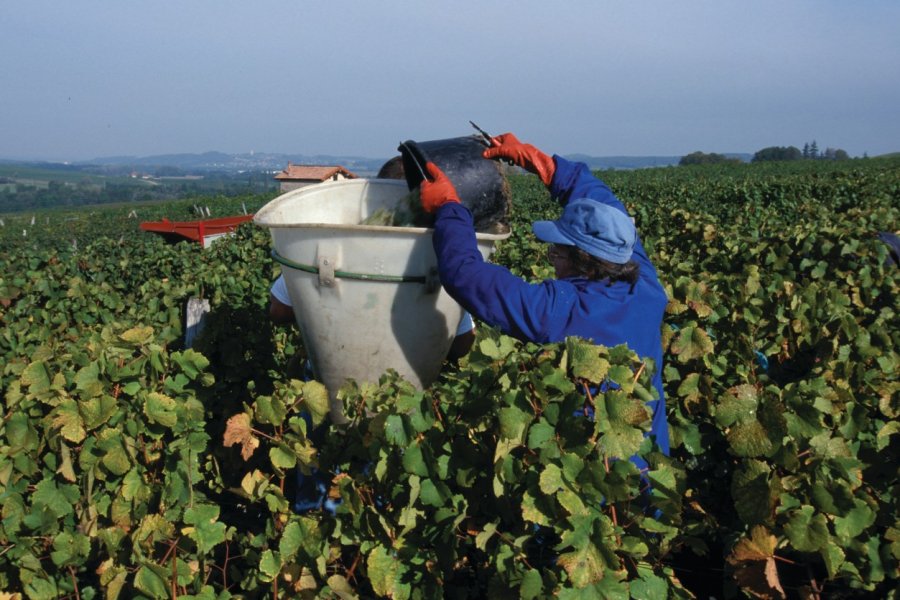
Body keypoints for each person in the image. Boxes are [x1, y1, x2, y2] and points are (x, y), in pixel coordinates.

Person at [418, 132, 670, 470]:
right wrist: (544, 165)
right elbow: (604, 205)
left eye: (557, 251)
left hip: (593, 475)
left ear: (582, 260)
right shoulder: (643, 280)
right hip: (650, 462)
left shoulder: (565, 309)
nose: (551, 259)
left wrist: (450, 210)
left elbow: (465, 275)